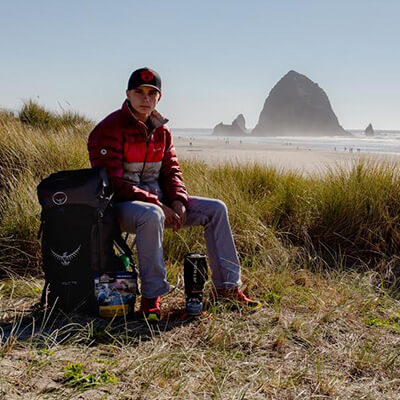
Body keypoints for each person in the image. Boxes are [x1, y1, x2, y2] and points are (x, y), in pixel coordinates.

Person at [88, 67, 260, 322]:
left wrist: (178, 201)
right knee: (152, 214)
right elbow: (113, 183)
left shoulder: (163, 131)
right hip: (121, 208)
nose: (145, 98)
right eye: (139, 92)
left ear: (159, 97)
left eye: (151, 93)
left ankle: (227, 288)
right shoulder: (109, 128)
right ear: (127, 94)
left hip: (160, 205)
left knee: (216, 209)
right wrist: (159, 204)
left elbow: (172, 171)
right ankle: (151, 298)